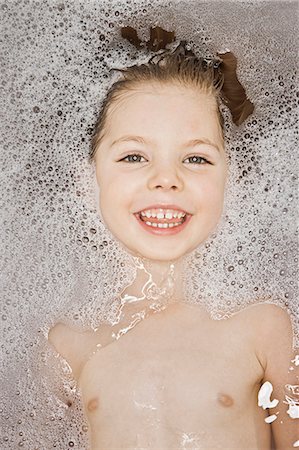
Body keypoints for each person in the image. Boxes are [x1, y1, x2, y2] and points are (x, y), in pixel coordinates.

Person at [48, 39, 298, 449]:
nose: (166, 178)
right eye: (133, 157)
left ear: (234, 180)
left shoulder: (264, 326)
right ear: (85, 180)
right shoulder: (66, 344)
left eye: (196, 158)